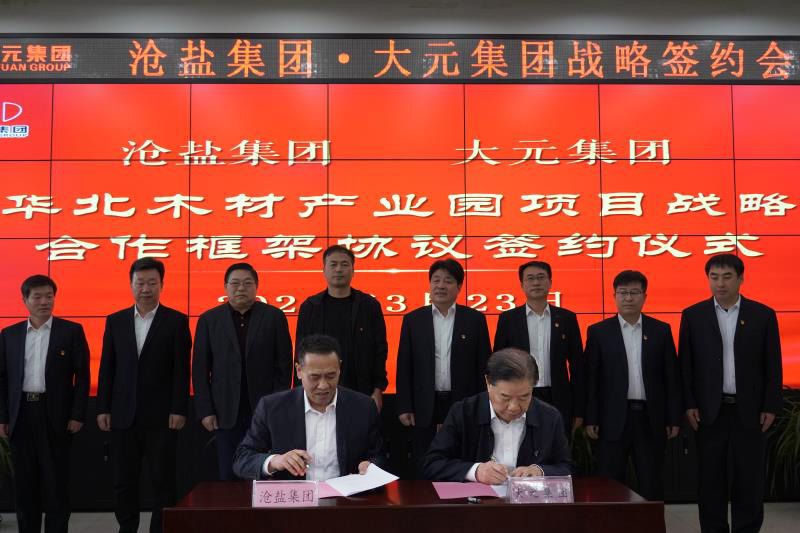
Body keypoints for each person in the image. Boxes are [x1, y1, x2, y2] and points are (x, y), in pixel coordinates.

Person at [679, 254, 782, 533]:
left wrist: (770, 406)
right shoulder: (693, 315)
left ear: (741, 279)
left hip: (750, 411)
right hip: (709, 412)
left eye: (727, 277)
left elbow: (773, 365)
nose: (720, 283)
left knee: (749, 479)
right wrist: (689, 403)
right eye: (714, 277)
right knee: (710, 479)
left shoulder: (762, 315)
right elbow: (686, 365)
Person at [96, 258, 191, 533]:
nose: (146, 289)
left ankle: (159, 529)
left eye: (152, 283)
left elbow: (181, 369)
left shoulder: (176, 321)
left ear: (162, 285)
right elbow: (107, 368)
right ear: (131, 285)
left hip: (162, 417)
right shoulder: (115, 321)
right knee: (123, 481)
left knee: (163, 481)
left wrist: (179, 408)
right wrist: (103, 407)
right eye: (140, 283)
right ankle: (127, 528)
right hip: (122, 415)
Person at [0, 275, 89, 533]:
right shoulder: (10, 335)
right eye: (37, 297)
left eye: (49, 296)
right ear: (25, 300)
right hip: (21, 415)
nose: (44, 302)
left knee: (56, 485)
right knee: (25, 486)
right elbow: (2, 379)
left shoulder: (71, 331)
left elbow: (82, 377)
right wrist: (3, 417)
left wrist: (77, 414)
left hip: (56, 416)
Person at [584, 270, 682, 501]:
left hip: (650, 417)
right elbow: (591, 379)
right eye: (623, 292)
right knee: (610, 483)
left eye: (634, 292)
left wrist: (673, 418)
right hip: (611, 418)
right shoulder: (599, 332)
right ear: (614, 296)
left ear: (644, 296)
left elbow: (671, 377)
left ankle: (650, 521)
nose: (628, 298)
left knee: (651, 481)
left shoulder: (661, 330)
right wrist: (591, 418)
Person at [232, 334, 384, 480]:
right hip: (295, 496)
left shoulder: (363, 407)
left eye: (331, 376)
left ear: (339, 368)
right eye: (314, 377)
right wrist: (275, 461)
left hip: (345, 496)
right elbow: (242, 459)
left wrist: (371, 467)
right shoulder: (272, 408)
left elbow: (379, 456)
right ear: (299, 371)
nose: (323, 385)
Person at [192, 262, 293, 480]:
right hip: (225, 410)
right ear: (225, 287)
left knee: (264, 470)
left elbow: (284, 366)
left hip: (264, 409)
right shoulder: (209, 320)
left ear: (256, 287)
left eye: (247, 283)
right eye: (235, 283)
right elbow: (200, 370)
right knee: (228, 472)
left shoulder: (274, 317)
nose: (241, 288)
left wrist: (279, 405)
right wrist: (206, 410)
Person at [395, 259, 492, 476]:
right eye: (436, 280)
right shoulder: (413, 320)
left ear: (459, 287)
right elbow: (404, 365)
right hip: (424, 402)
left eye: (448, 281)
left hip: (463, 401)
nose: (440, 286)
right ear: (429, 284)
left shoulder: (474, 319)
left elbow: (484, 366)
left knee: (462, 455)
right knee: (424, 459)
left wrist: (483, 404)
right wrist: (404, 405)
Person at [423, 348, 571, 483]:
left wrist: (539, 471)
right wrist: (475, 471)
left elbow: (567, 467)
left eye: (524, 397)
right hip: (476, 501)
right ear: (488, 383)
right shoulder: (463, 413)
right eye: (505, 397)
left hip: (528, 501)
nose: (514, 407)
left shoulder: (549, 417)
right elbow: (432, 464)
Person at [493, 260, 585, 435]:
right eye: (530, 278)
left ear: (550, 282)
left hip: (558, 398)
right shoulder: (508, 319)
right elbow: (498, 365)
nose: (536, 282)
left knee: (557, 447)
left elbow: (577, 367)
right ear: (522, 284)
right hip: (518, 398)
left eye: (541, 277)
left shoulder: (567, 318)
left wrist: (579, 410)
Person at [295, 245, 388, 410]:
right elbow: (300, 353)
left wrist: (378, 389)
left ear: (353, 271)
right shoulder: (310, 307)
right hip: (320, 390)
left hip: (361, 389)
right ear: (324, 270)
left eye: (344, 264)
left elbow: (380, 350)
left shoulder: (369, 306)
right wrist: (299, 392)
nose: (338, 269)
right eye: (333, 264)